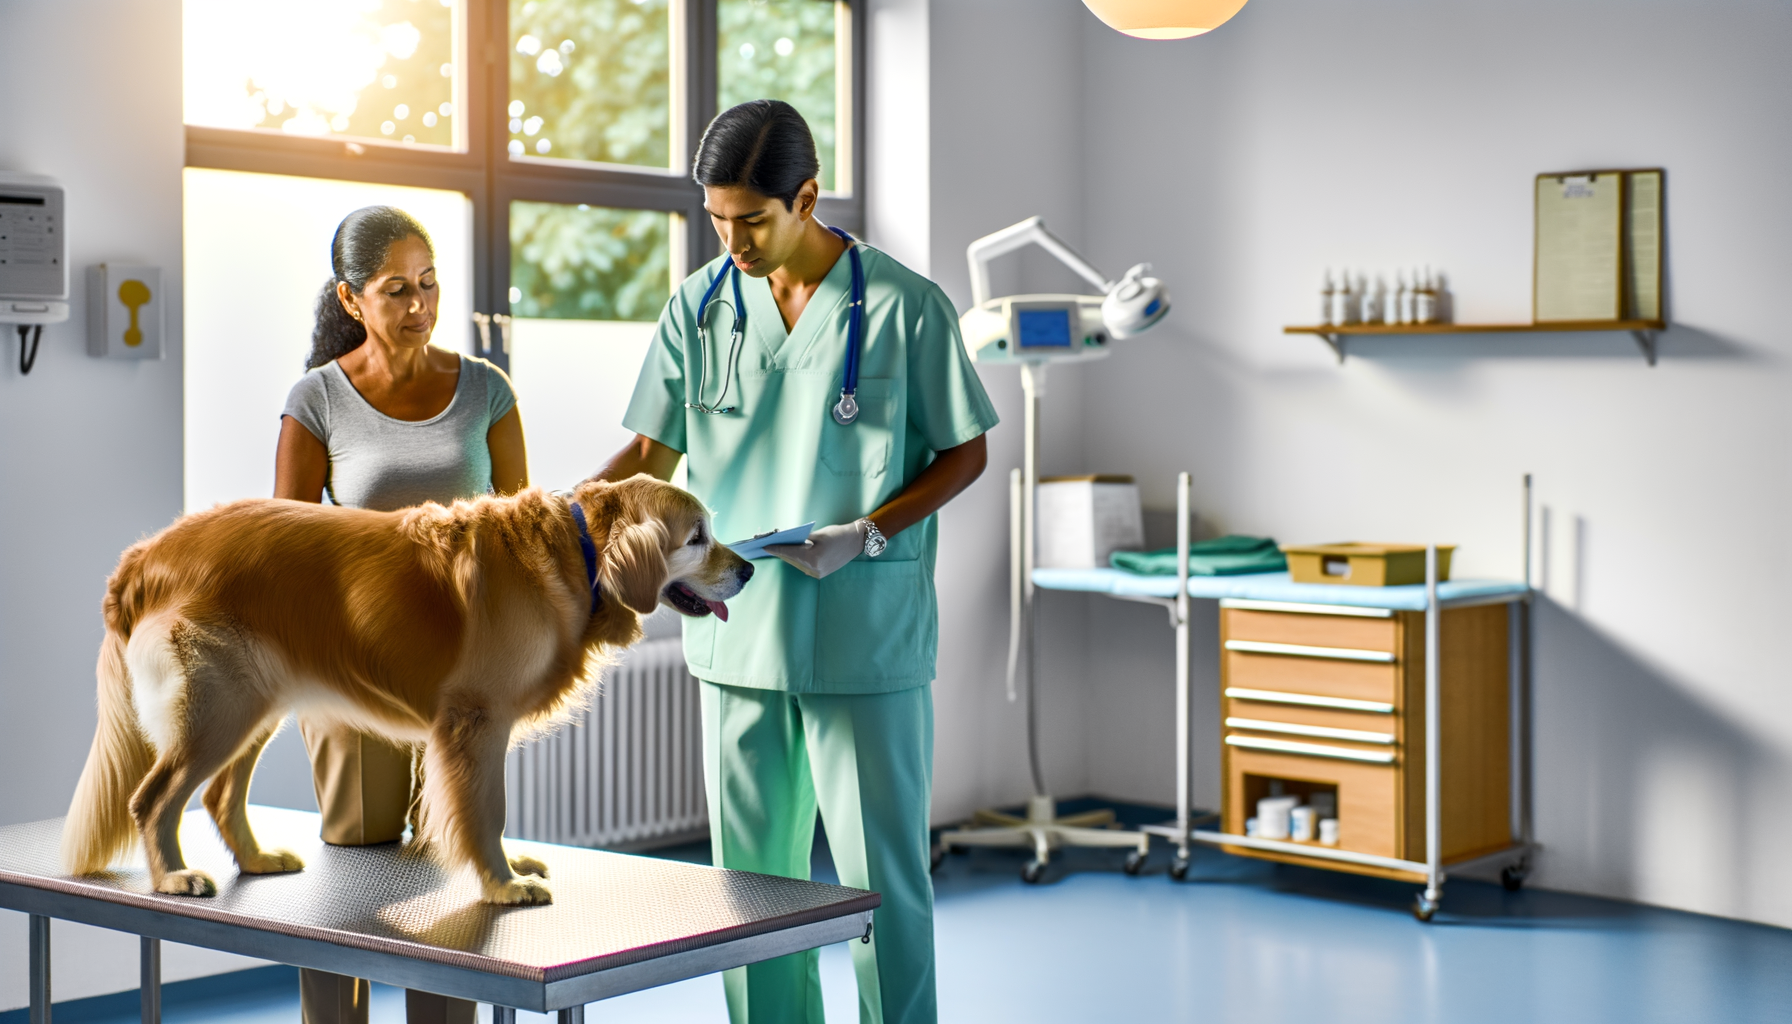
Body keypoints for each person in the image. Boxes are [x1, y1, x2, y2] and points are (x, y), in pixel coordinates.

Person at [592, 100, 998, 1024]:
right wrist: (566, 516)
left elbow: (964, 451)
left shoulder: (903, 307)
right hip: (738, 636)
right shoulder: (697, 308)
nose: (731, 240)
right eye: (716, 219)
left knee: (878, 887)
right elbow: (651, 457)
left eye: (752, 220)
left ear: (806, 198)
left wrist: (868, 532)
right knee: (750, 894)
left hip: (865, 635)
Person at [273, 205, 528, 1024]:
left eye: (429, 285)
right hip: (352, 672)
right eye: (395, 291)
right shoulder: (316, 399)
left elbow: (522, 533)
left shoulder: (486, 390)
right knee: (355, 868)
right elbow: (288, 551)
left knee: (449, 866)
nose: (419, 305)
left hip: (466, 670)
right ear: (352, 300)